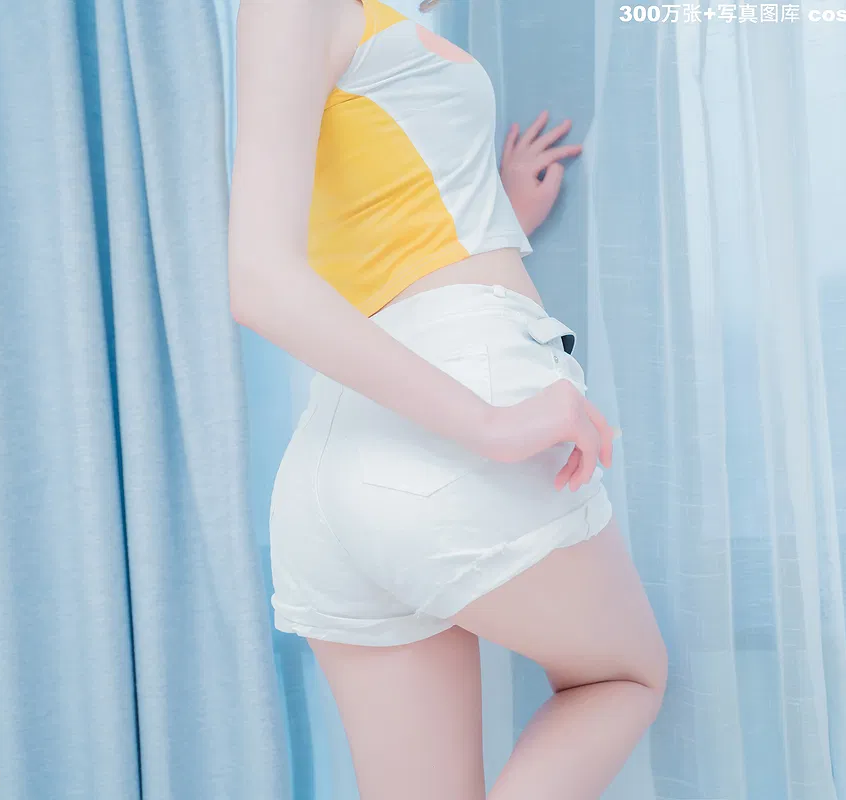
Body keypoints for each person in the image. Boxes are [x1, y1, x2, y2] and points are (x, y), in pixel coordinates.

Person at [228, 0, 667, 797]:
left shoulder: (348, 24)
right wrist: (489, 424)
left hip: (338, 460)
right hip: (453, 405)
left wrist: (498, 213)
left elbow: (367, 216)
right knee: (621, 677)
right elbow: (259, 281)